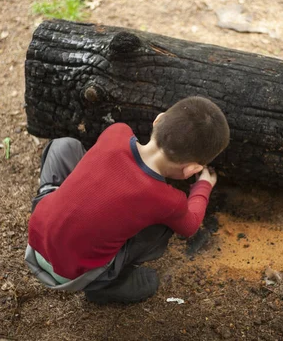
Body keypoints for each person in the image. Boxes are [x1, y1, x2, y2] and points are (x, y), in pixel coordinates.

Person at [25, 96, 230, 304]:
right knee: (162, 229)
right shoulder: (168, 200)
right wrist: (203, 186)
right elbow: (191, 224)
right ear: (191, 169)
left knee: (65, 146)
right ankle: (106, 285)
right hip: (74, 275)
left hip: (36, 241)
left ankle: (53, 202)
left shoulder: (117, 132)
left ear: (158, 120)